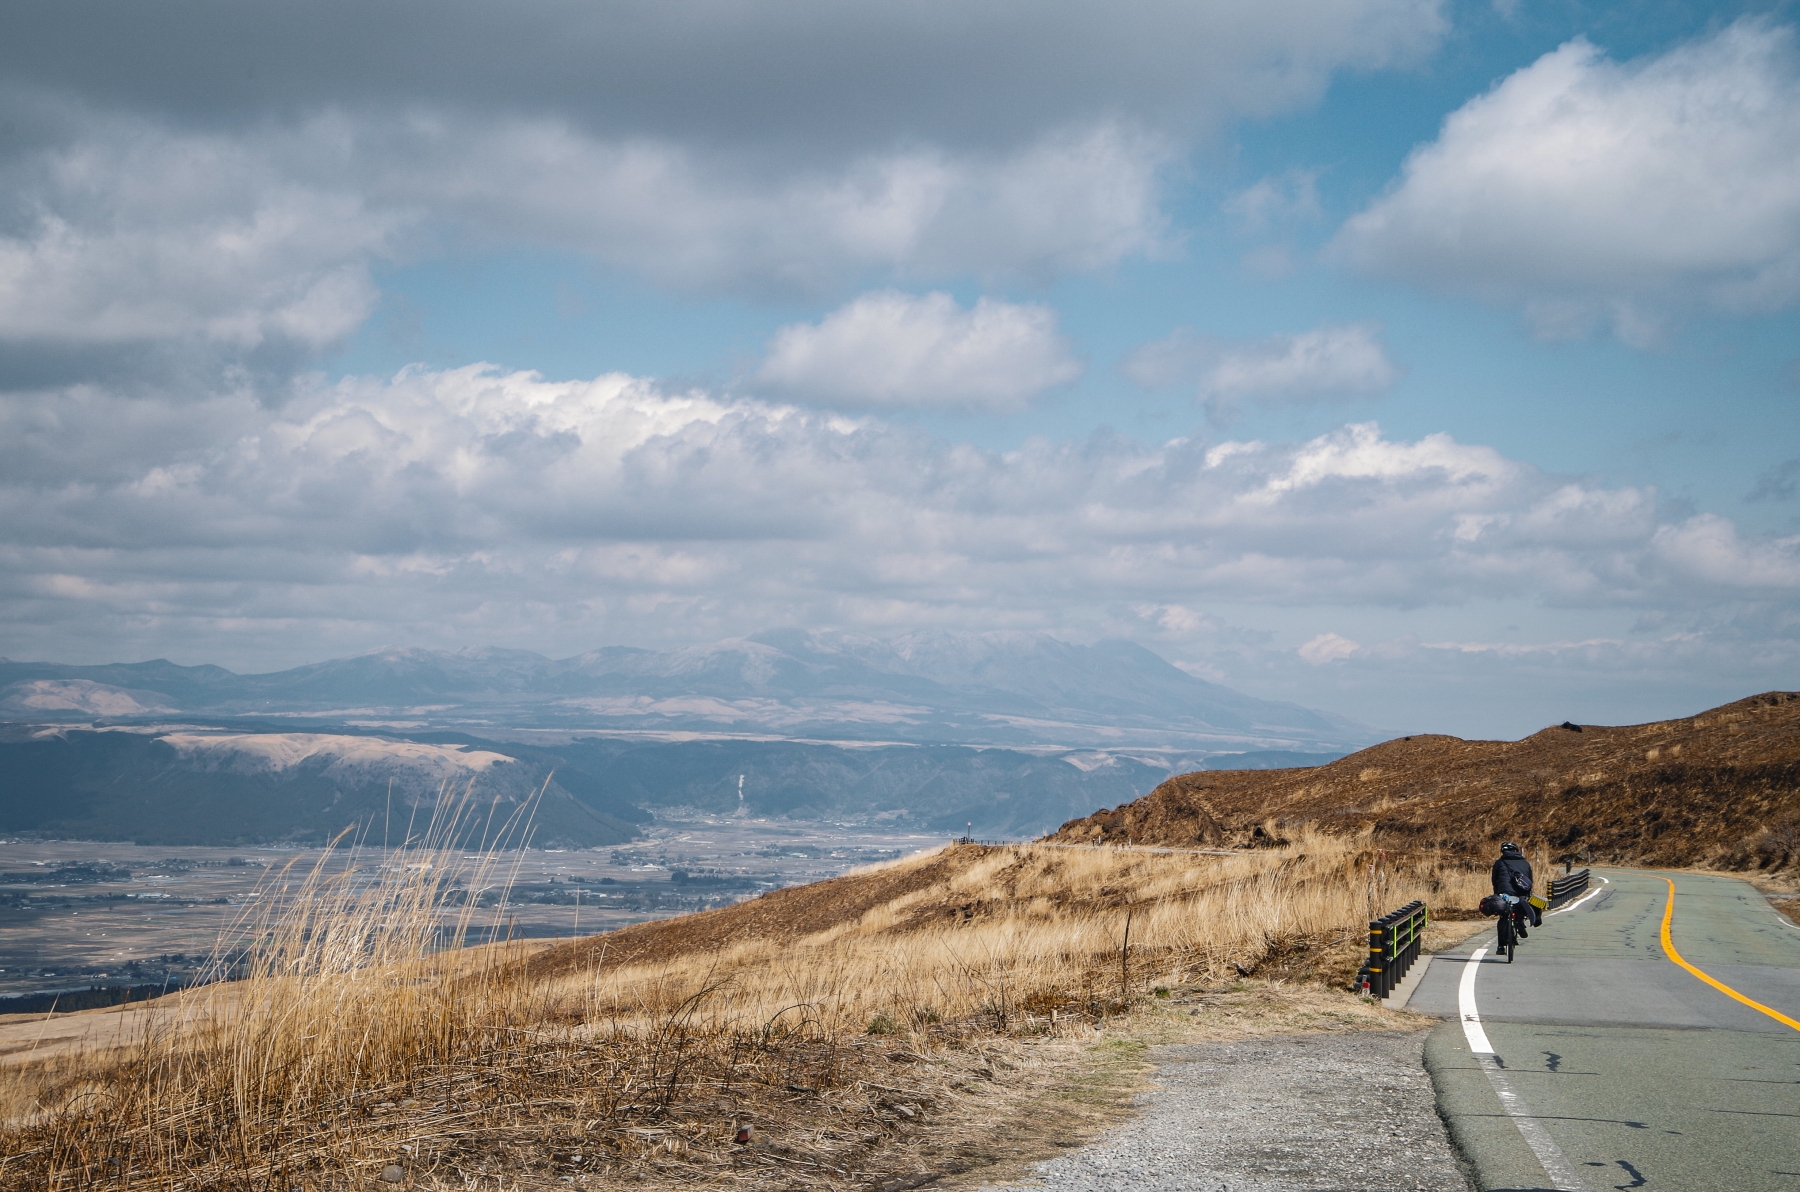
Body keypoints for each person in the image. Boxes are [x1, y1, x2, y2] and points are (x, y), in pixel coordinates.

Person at [1491, 842, 1536, 939]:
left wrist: (1497, 892)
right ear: (1515, 851)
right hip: (1521, 892)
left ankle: (1501, 945)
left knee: (1503, 917)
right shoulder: (1525, 863)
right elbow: (1530, 880)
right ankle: (1520, 922)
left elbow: (1494, 880)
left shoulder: (1499, 863)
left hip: (1504, 892)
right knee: (1520, 907)